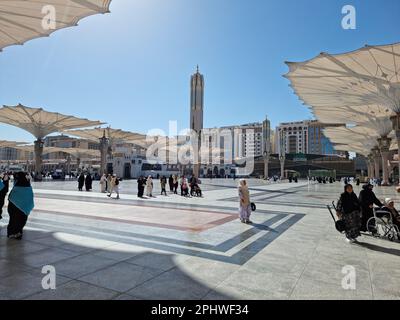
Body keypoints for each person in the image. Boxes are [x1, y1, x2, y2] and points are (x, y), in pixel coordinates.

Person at [7, 172, 34, 240]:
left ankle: (12, 233)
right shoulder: (28, 187)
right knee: (21, 221)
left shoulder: (16, 187)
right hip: (24, 209)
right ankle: (18, 233)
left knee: (13, 220)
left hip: (14, 209)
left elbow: (11, 196)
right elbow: (30, 197)